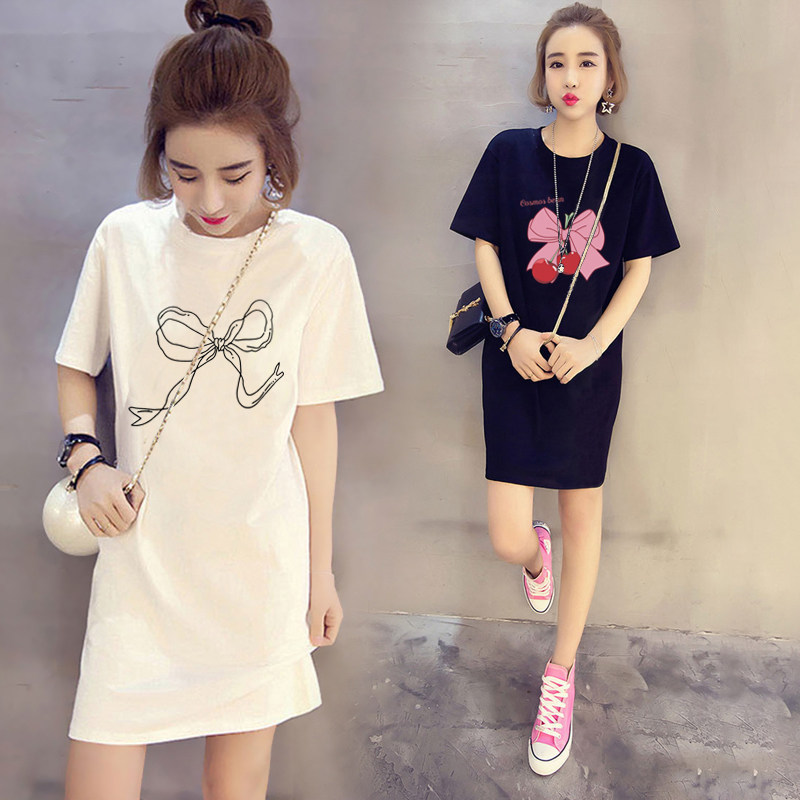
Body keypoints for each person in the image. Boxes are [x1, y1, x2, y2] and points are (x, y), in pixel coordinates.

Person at [54, 1, 383, 797]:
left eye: (234, 174)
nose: (208, 199)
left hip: (257, 569)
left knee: (235, 787)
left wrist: (319, 573)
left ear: (273, 151)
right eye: (183, 172)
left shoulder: (315, 254)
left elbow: (313, 422)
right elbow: (74, 366)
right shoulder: (124, 240)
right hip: (141, 566)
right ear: (159, 155)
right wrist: (85, 460)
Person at [450, 2, 679, 776]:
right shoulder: (508, 153)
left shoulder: (633, 169)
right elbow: (486, 244)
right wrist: (511, 331)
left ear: (610, 78)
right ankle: (533, 556)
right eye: (557, 62)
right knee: (507, 534)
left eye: (587, 62)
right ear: (541, 76)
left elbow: (638, 268)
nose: (570, 76)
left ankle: (561, 672)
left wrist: (592, 347)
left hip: (588, 367)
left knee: (583, 517)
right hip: (514, 360)